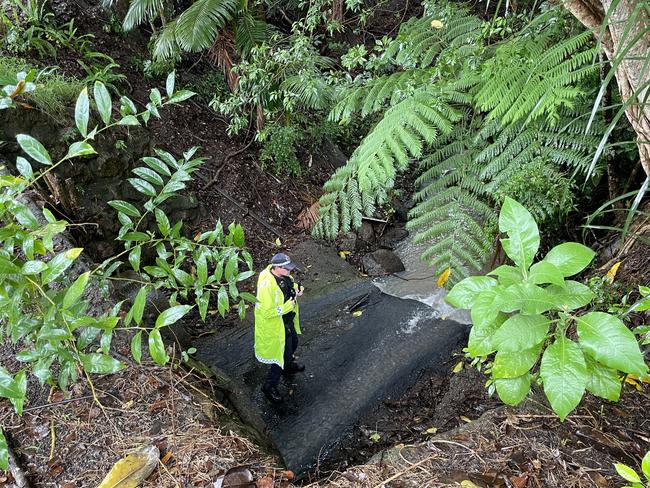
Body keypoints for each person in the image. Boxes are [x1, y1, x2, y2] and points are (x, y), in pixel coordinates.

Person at [254, 252, 305, 403]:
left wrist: (297, 288)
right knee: (281, 354)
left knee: (294, 342)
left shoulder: (283, 277)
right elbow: (267, 312)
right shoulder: (266, 285)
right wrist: (289, 306)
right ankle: (269, 386)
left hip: (287, 321)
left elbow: (289, 283)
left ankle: (288, 366)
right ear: (276, 267)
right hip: (276, 325)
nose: (289, 271)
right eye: (286, 268)